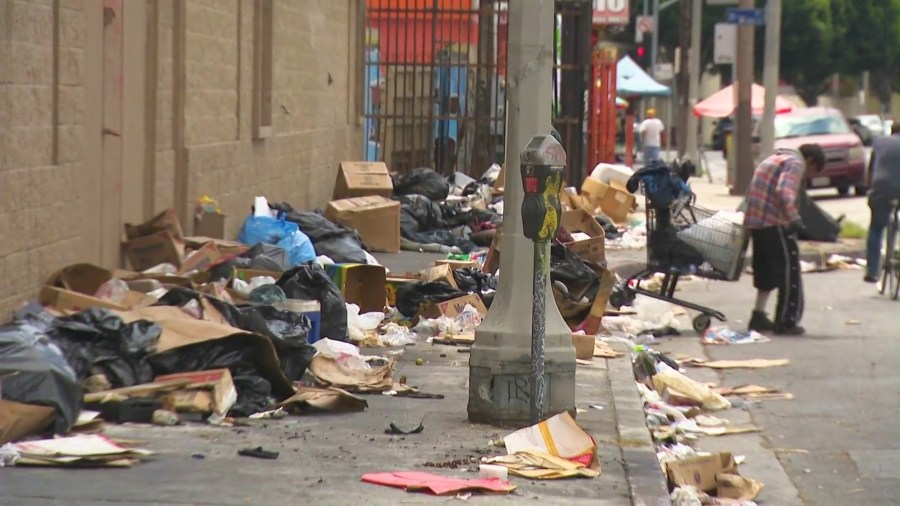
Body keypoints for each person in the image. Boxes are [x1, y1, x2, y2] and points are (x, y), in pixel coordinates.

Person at [744, 144, 825, 336]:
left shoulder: (775, 157)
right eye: (812, 171)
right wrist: (795, 220)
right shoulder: (796, 163)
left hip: (756, 221)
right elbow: (784, 191)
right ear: (810, 161)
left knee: (766, 270)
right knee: (790, 270)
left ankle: (758, 315)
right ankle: (786, 321)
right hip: (773, 221)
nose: (807, 176)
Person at [864, 122, 900, 283]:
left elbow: (871, 170)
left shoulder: (879, 142)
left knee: (876, 227)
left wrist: (870, 190)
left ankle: (872, 271)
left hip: (882, 189)